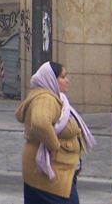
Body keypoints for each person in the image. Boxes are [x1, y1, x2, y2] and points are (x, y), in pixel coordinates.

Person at [16, 61, 95, 204]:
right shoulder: (45, 98)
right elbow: (40, 123)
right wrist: (54, 146)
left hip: (52, 175)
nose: (67, 81)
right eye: (63, 77)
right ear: (51, 79)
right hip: (50, 176)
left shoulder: (56, 98)